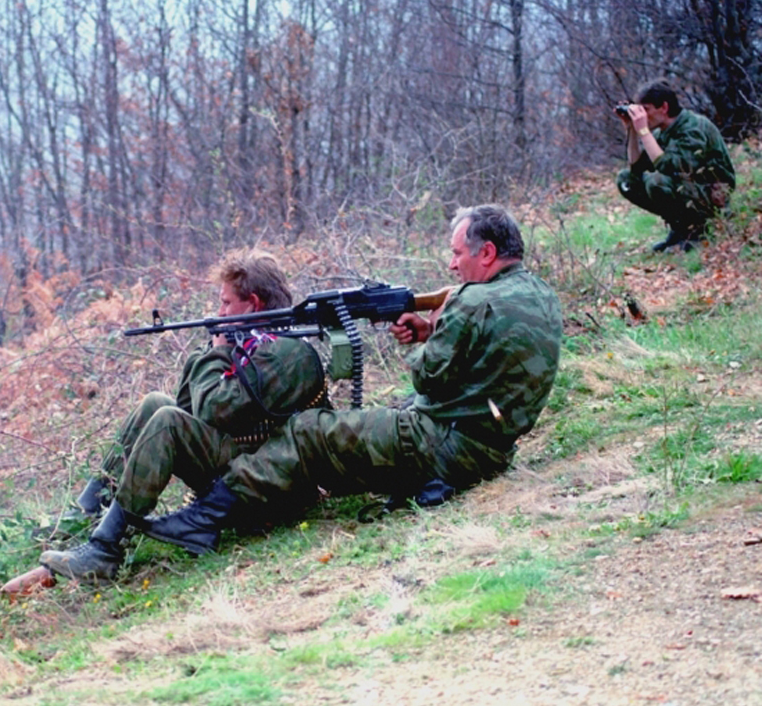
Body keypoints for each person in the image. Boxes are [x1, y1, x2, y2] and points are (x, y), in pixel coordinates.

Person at [137, 204, 563, 560]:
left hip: (448, 444)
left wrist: (433, 331)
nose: (452, 265)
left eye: (457, 254)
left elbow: (427, 377)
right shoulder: (539, 293)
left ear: (486, 253)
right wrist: (433, 332)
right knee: (380, 415)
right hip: (491, 445)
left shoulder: (470, 301)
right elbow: (489, 361)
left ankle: (205, 517)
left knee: (308, 429)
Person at [39, 249, 329, 579]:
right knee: (156, 404)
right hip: (243, 465)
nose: (219, 312)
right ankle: (83, 515)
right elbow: (189, 406)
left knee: (168, 421)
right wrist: (213, 351)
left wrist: (219, 353)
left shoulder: (286, 353)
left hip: (266, 485)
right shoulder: (253, 344)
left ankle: (104, 549)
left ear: (253, 304)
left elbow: (212, 410)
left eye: (226, 303)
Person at [615, 79, 736, 253]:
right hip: (690, 189)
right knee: (627, 180)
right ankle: (679, 230)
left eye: (646, 109)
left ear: (664, 107)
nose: (642, 116)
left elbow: (672, 167)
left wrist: (644, 132)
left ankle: (697, 233)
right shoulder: (663, 132)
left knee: (657, 182)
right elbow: (637, 168)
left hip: (712, 193)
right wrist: (632, 130)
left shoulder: (693, 128)